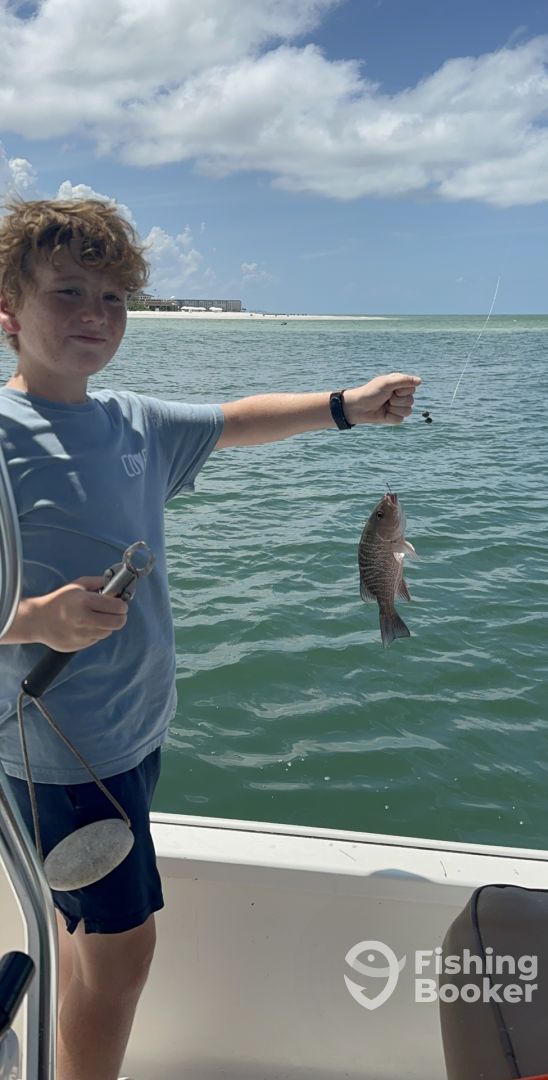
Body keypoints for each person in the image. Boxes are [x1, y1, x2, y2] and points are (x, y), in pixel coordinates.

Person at [0, 197, 421, 1080]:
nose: (94, 314)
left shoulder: (133, 422)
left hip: (132, 733)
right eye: (67, 291)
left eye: (113, 298)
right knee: (121, 962)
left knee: (90, 942)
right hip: (60, 755)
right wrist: (34, 618)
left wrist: (346, 407)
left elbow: (235, 421)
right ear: (9, 313)